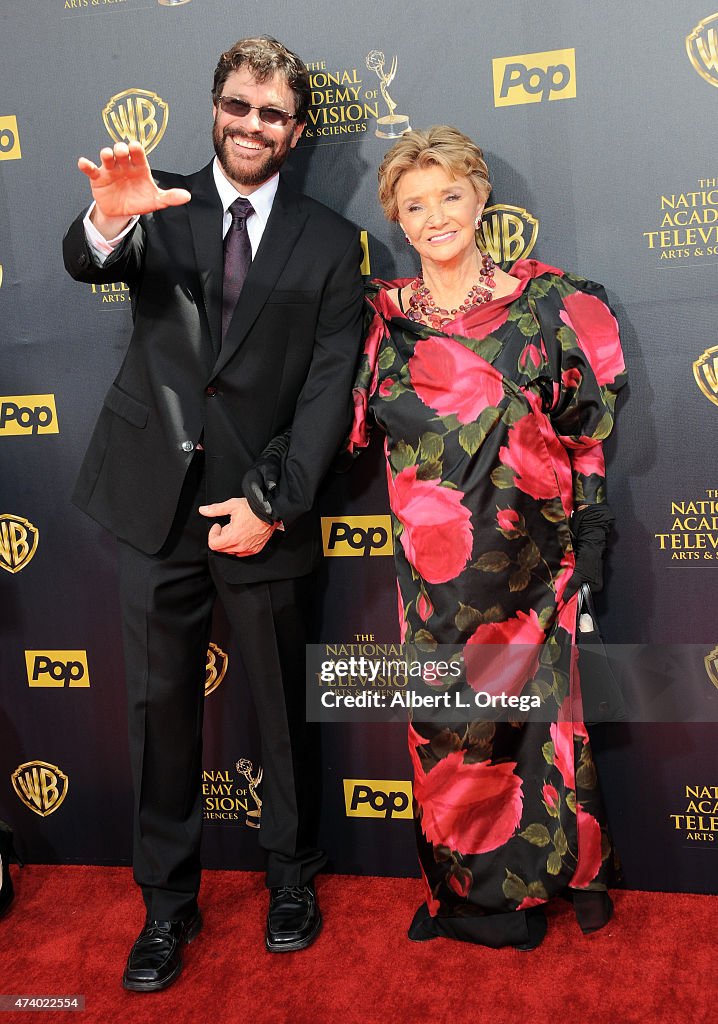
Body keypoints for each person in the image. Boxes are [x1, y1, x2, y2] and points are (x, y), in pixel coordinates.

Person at [63, 37, 363, 991]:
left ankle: (289, 879)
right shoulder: (161, 198)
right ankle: (166, 908)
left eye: (272, 114)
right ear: (216, 107)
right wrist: (108, 221)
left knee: (280, 709)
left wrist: (272, 504)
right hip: (153, 502)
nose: (250, 125)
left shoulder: (328, 242)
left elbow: (326, 392)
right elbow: (87, 258)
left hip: (259, 507)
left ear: (297, 131)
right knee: (157, 717)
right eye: (238, 105)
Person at [346, 126, 626, 950]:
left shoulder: (550, 305)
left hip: (540, 562)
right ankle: (465, 898)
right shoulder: (378, 325)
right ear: (397, 218)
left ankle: (576, 877)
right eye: (415, 204)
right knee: (446, 731)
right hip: (435, 579)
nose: (436, 217)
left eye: (451, 197)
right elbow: (346, 432)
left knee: (550, 729)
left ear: (481, 199)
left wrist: (597, 524)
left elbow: (585, 431)